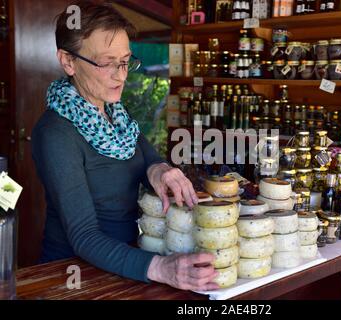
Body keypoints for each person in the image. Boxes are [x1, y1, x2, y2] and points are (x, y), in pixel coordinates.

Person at [31, 1, 219, 292]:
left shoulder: (115, 114)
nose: (121, 75)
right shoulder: (55, 132)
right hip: (75, 276)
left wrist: (160, 169)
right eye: (107, 63)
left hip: (125, 264)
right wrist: (162, 268)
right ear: (68, 61)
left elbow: (147, 158)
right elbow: (84, 237)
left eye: (125, 61)